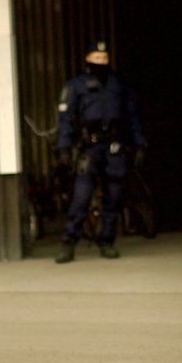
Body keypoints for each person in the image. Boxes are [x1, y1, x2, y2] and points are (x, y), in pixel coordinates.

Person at [54, 40, 146, 263]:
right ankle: (68, 243)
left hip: (113, 147)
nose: (101, 62)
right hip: (89, 148)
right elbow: (66, 119)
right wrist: (64, 147)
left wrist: (139, 143)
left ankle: (107, 241)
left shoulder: (118, 83)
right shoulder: (76, 85)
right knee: (81, 197)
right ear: (87, 59)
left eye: (104, 58)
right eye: (96, 58)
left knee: (113, 197)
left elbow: (132, 115)